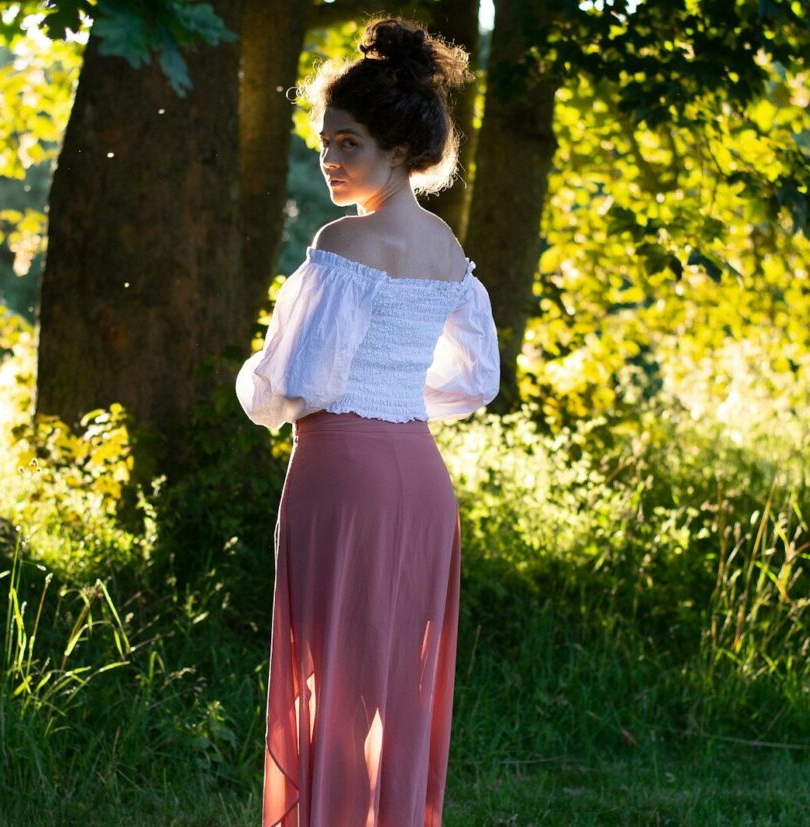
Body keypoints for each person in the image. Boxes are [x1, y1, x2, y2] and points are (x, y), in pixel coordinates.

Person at [235, 16, 499, 827]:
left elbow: (290, 386)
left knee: (331, 671)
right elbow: (476, 380)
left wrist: (253, 382)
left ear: (397, 149)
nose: (331, 158)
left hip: (341, 474)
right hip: (418, 477)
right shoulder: (448, 252)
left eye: (348, 142)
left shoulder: (343, 244)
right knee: (386, 677)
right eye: (324, 142)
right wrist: (393, 402)